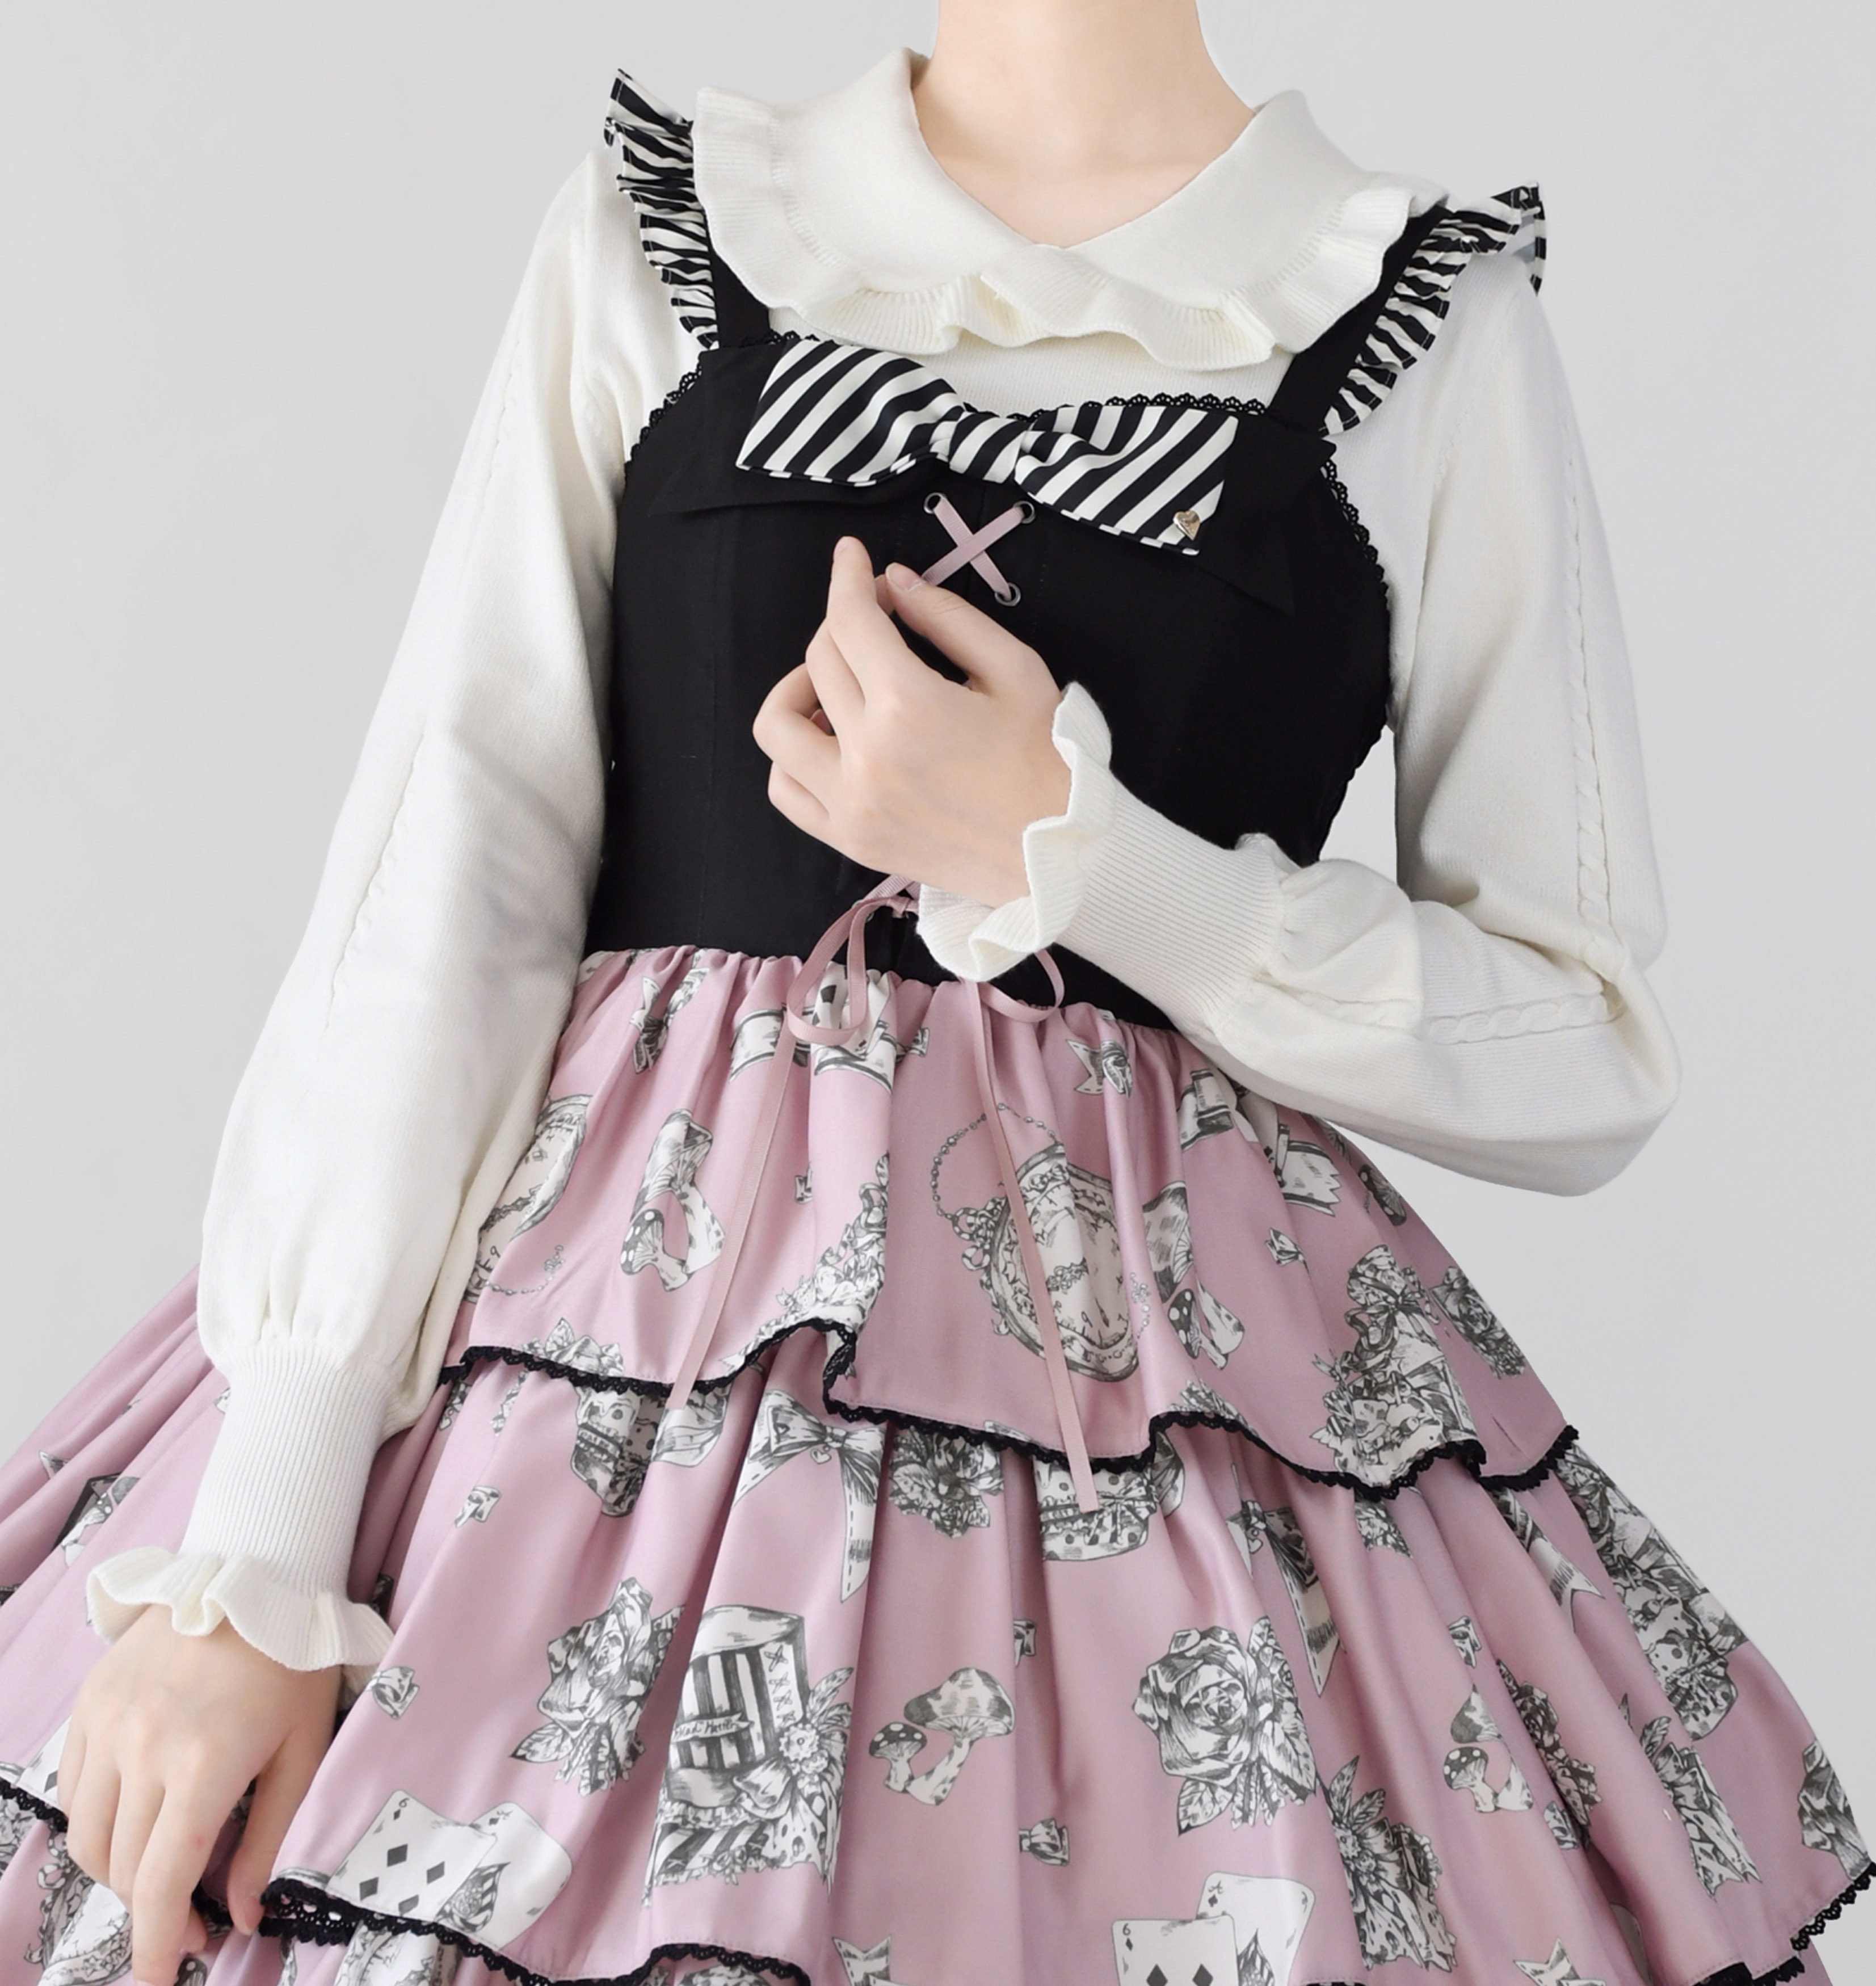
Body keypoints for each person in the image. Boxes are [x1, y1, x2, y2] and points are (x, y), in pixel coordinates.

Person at [0, 4, 1866, 1984]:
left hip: (1154, 1440)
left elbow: (1579, 1035)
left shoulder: (1420, 321)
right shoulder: (670, 226)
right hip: (593, 1375)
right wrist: (266, 1547)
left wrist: (1088, 856)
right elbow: (448, 874)